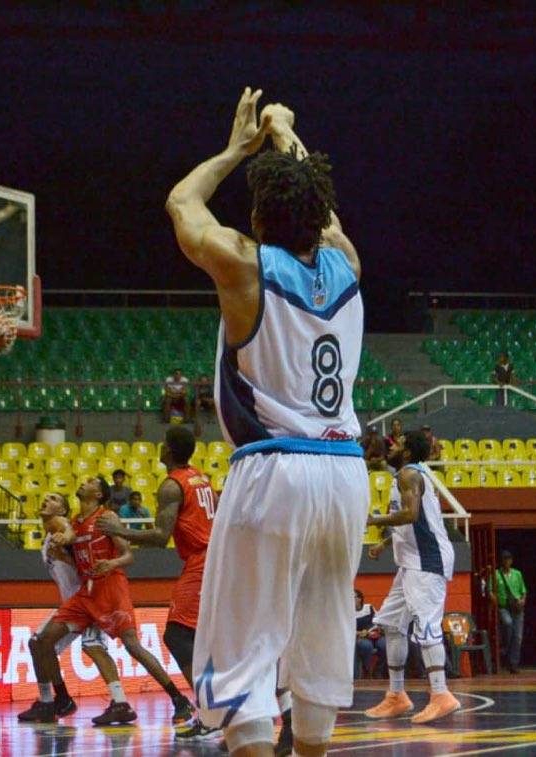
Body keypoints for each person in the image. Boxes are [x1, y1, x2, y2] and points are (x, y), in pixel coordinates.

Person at [166, 91, 369, 756]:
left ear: (256, 216)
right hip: (345, 475)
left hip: (276, 465)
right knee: (320, 633)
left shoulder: (242, 264)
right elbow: (324, 214)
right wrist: (288, 134)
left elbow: (181, 204)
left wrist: (235, 150)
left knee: (245, 645)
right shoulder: (348, 264)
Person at [21, 476, 195, 726]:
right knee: (42, 640)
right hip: (85, 594)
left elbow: (127, 556)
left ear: (99, 494)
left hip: (111, 586)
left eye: (91, 481)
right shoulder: (75, 523)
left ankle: (178, 698)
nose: (83, 482)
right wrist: (63, 540)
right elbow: (69, 532)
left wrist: (111, 563)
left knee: (132, 646)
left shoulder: (107, 518)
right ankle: (61, 699)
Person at [97, 425, 229, 742]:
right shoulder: (199, 476)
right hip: (213, 557)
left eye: (163, 443)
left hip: (201, 561)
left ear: (167, 450)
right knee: (198, 639)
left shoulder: (172, 486)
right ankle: (217, 710)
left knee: (177, 635)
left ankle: (213, 713)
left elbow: (160, 536)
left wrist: (119, 529)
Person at [364, 430, 460, 724]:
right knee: (393, 625)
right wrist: (386, 541)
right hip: (410, 562)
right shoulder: (406, 474)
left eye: (400, 443)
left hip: (427, 562)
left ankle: (442, 695)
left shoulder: (408, 475)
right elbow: (411, 522)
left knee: (428, 628)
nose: (394, 445)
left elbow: (411, 514)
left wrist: (373, 520)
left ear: (406, 453)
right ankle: (397, 696)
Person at [18, 493, 127, 724]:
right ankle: (53, 701)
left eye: (54, 499)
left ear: (63, 509)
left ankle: (115, 702)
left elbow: (70, 531)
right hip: (73, 603)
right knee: (39, 643)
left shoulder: (60, 524)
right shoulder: (49, 534)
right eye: (46, 498)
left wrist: (67, 535)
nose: (46, 500)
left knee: (91, 646)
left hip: (86, 600)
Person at [493, 549, 527, 674]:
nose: (507, 561)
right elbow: (490, 590)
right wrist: (494, 600)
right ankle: (504, 648)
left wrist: (522, 600)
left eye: (509, 559)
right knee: (507, 624)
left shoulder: (517, 574)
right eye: (504, 559)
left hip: (517, 607)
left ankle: (513, 663)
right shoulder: (496, 574)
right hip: (504, 606)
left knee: (517, 636)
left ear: (511, 561)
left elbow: (523, 590)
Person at [354, 589, 386, 678]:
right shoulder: (349, 612)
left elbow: (378, 620)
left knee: (385, 645)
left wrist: (379, 628)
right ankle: (367, 670)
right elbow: (348, 629)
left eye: (353, 597)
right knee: (366, 646)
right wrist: (360, 633)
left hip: (376, 634)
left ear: (359, 599)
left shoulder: (369, 607)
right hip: (362, 637)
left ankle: (378, 670)